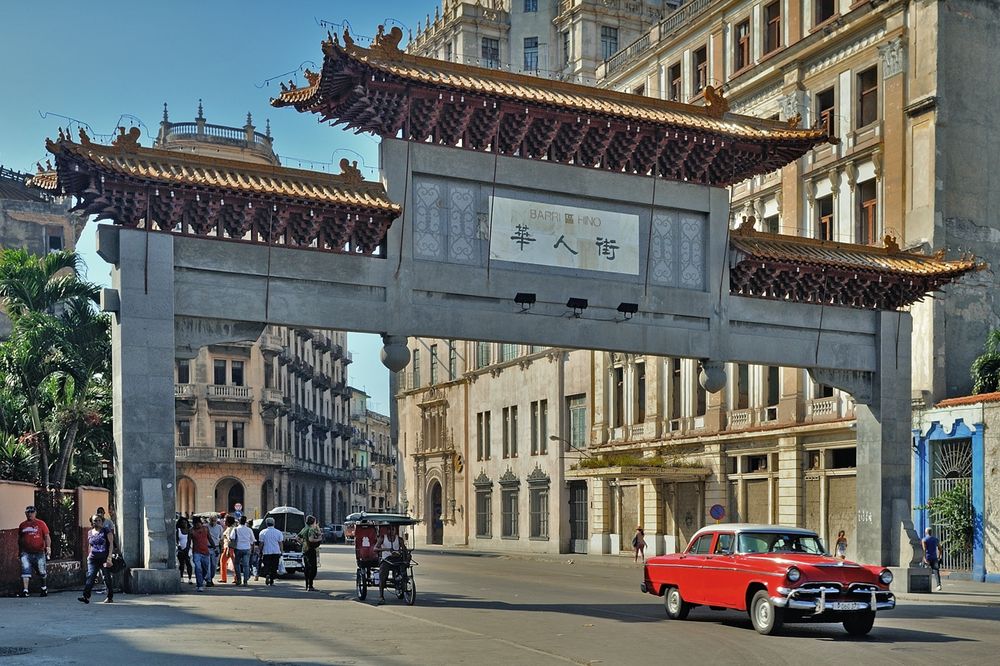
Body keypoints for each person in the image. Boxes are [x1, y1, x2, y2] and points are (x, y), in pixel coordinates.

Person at [78, 514, 114, 604]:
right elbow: (90, 545)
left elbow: (111, 544)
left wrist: (109, 558)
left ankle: (110, 597)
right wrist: (88, 556)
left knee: (106, 577)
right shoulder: (90, 532)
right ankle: (86, 596)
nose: (97, 522)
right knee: (90, 576)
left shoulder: (106, 530)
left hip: (104, 558)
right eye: (95, 521)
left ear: (102, 521)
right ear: (92, 522)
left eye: (99, 520)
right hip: (93, 559)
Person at [17, 505, 51, 598]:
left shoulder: (41, 524)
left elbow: (47, 536)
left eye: (32, 512)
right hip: (26, 552)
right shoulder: (22, 525)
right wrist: (20, 552)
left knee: (42, 571)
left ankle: (44, 588)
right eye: (28, 512)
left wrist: (48, 548)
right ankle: (25, 590)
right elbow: (20, 539)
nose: (30, 514)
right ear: (25, 513)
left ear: (35, 513)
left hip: (39, 552)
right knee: (25, 570)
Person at [375, 525, 406, 605]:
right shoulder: (382, 538)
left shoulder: (399, 539)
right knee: (383, 575)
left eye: (393, 530)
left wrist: (407, 555)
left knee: (403, 567)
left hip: (396, 558)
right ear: (387, 531)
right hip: (386, 559)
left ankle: (402, 580)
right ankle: (381, 596)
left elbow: (404, 549)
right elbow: (375, 548)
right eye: (390, 530)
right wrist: (386, 549)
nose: (392, 532)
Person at [298, 515, 323, 591]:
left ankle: (307, 585)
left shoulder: (304, 528)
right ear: (313, 522)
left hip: (304, 549)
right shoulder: (311, 529)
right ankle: (310, 585)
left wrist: (302, 543)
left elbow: (297, 537)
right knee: (313, 568)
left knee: (307, 567)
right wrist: (319, 538)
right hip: (311, 549)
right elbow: (311, 539)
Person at [231, 515, 257, 586]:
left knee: (237, 564)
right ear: (245, 521)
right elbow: (253, 540)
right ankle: (245, 581)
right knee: (246, 565)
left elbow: (232, 537)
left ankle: (239, 580)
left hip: (238, 548)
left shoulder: (235, 529)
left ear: (239, 521)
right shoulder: (249, 530)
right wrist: (252, 548)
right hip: (247, 548)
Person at [258, 517, 284, 586]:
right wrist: (281, 551)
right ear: (274, 524)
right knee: (274, 566)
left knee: (267, 565)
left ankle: (267, 574)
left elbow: (261, 543)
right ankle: (272, 580)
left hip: (266, 552)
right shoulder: (278, 532)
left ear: (266, 524)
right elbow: (280, 543)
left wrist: (259, 551)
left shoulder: (262, 532)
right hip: (276, 552)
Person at [189, 516, 212, 591]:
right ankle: (200, 585)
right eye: (194, 524)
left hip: (206, 552)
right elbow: (188, 542)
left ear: (200, 523)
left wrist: (214, 547)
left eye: (197, 524)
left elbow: (210, 538)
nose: (196, 526)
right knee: (198, 568)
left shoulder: (205, 529)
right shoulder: (191, 531)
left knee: (205, 569)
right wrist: (186, 549)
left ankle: (201, 579)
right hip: (196, 552)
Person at [922, 527, 944, 591]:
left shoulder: (924, 540)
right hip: (934, 558)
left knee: (924, 572)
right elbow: (940, 548)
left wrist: (924, 557)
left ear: (926, 532)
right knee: (936, 572)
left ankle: (924, 585)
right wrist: (939, 556)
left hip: (927, 558)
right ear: (931, 532)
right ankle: (939, 585)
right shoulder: (935, 539)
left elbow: (924, 549)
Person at [206, 514, 223, 586]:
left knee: (214, 565)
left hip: (216, 548)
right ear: (209, 520)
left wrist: (221, 548)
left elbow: (221, 539)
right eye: (212, 520)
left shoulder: (219, 527)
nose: (213, 522)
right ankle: (208, 580)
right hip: (207, 547)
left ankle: (211, 578)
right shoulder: (206, 527)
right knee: (208, 565)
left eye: (214, 520)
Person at [219, 515, 237, 584]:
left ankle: (224, 578)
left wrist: (228, 550)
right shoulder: (230, 528)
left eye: (225, 521)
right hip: (229, 547)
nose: (224, 522)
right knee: (234, 563)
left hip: (228, 547)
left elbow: (230, 540)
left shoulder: (230, 529)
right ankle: (235, 578)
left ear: (228, 522)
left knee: (223, 561)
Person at [176, 517, 193, 584]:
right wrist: (179, 546)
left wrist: (187, 548)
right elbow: (177, 540)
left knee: (189, 563)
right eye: (182, 523)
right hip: (180, 549)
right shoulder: (178, 530)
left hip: (187, 549)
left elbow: (189, 540)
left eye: (185, 523)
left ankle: (190, 578)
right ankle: (181, 577)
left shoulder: (189, 530)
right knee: (181, 564)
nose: (184, 524)